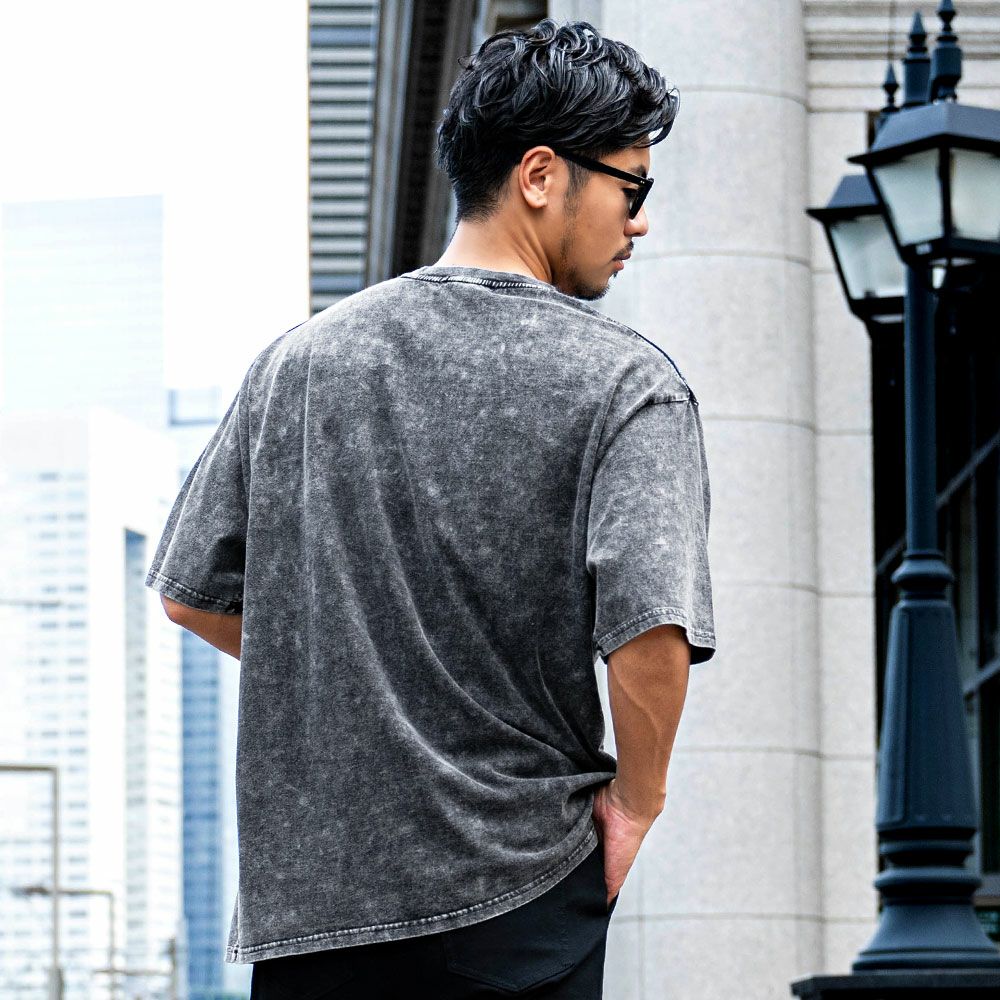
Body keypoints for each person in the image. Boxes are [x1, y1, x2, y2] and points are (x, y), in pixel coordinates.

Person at [145, 16, 716, 999]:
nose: (639, 222)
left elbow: (189, 595)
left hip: (315, 911)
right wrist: (635, 804)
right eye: (632, 188)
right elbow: (650, 631)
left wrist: (363, 670)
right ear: (541, 175)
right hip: (516, 886)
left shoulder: (298, 364)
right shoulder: (625, 383)